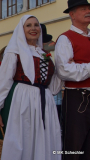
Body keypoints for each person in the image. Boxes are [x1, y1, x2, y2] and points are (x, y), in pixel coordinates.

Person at [0, 15, 63, 160]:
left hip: (45, 101)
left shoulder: (44, 54)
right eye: (28, 25)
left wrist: (61, 69)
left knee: (44, 138)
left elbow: (52, 88)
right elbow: (3, 80)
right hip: (23, 100)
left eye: (36, 25)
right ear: (21, 30)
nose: (33, 28)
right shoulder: (14, 51)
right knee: (23, 139)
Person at [55, 0, 90, 159]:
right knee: (74, 143)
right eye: (83, 9)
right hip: (77, 96)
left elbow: (75, 67)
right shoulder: (65, 38)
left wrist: (82, 66)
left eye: (89, 8)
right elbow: (64, 70)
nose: (88, 11)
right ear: (72, 14)